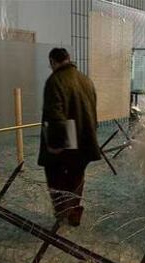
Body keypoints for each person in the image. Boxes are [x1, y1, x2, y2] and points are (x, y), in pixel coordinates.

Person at [38, 48, 101, 226]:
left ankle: (62, 213)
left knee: (55, 177)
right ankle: (74, 212)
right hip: (85, 140)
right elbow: (92, 111)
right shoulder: (85, 80)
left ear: (52, 61)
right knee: (76, 177)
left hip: (64, 144)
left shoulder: (55, 81)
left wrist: (56, 146)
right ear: (69, 59)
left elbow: (55, 115)